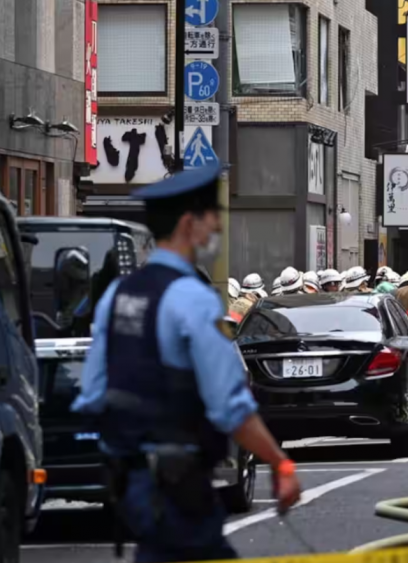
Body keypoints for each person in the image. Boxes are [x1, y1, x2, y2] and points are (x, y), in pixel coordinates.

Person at [71, 163, 301, 562]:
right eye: (211, 218)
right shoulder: (191, 299)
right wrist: (280, 464)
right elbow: (229, 404)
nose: (215, 230)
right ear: (188, 223)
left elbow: (92, 393)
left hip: (131, 484)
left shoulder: (117, 297)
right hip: (180, 483)